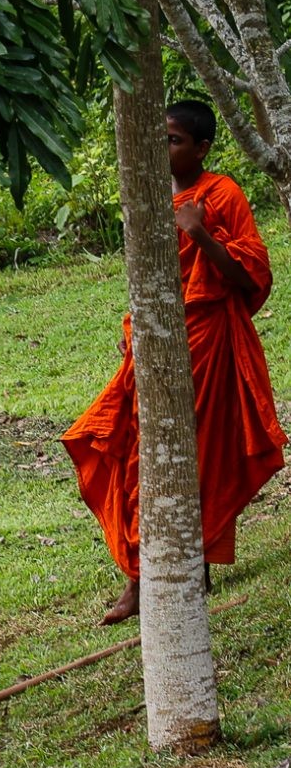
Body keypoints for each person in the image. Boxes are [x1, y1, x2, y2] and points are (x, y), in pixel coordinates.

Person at [62, 100, 285, 624]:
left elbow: (253, 277)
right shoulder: (144, 190)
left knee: (197, 452)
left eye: (175, 140)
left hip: (206, 339)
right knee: (138, 448)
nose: (164, 149)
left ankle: (193, 562)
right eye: (158, 139)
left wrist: (201, 232)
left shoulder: (220, 193)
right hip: (153, 338)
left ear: (202, 148)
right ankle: (140, 577)